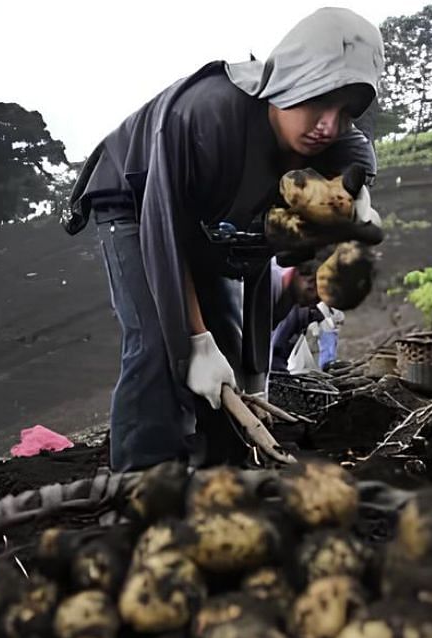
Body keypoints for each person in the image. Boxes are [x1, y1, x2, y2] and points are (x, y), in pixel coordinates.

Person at [64, 8, 383, 472]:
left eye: (346, 112)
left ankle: (222, 471)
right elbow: (165, 234)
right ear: (289, 80)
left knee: (224, 351)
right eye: (319, 101)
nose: (328, 126)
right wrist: (193, 341)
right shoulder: (208, 116)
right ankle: (143, 479)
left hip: (204, 219)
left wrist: (252, 373)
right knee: (158, 343)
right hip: (135, 199)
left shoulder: (335, 151)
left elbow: (255, 260)